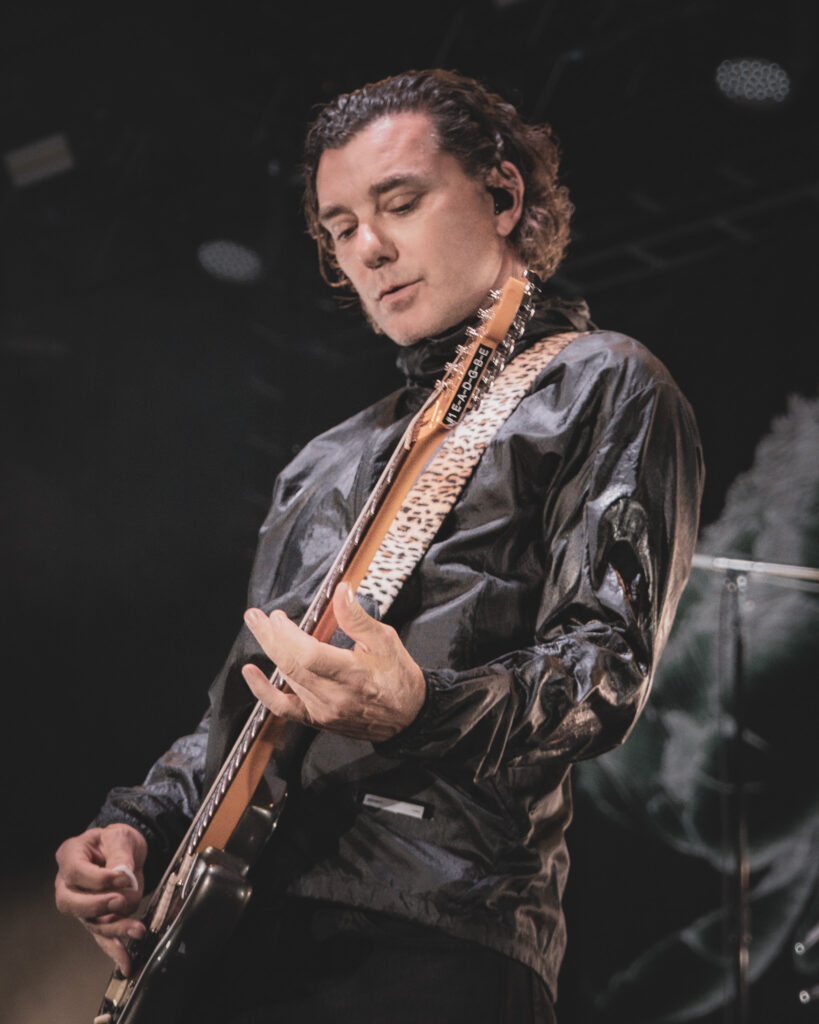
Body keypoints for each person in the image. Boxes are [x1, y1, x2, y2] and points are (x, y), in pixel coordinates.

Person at [55, 69, 704, 1022]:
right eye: (341, 227)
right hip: (235, 931)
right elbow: (242, 709)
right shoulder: (324, 460)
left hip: (436, 929)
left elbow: (604, 671)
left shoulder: (603, 382)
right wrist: (136, 826)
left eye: (399, 203)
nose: (369, 248)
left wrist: (419, 708)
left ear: (502, 196)